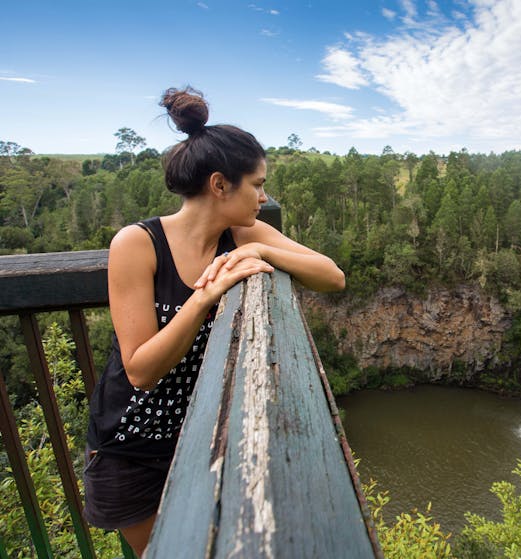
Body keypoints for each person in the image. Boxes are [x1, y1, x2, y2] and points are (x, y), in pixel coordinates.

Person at [83, 86, 345, 556]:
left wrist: (261, 248)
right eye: (257, 184)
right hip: (132, 442)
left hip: (202, 434)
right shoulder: (137, 244)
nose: (264, 198)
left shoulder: (243, 233)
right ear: (220, 184)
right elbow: (140, 370)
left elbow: (333, 277)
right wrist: (205, 295)